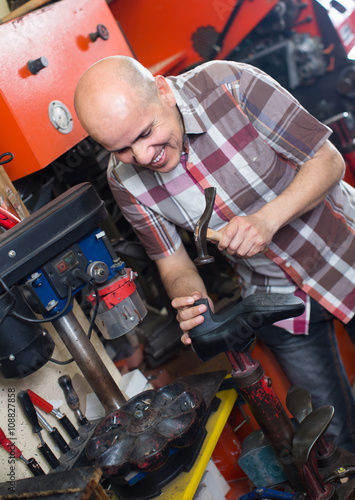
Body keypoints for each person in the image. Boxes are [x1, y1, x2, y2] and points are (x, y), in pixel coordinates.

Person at [74, 55, 355, 452]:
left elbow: (327, 160)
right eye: (121, 149)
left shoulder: (229, 85)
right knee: (332, 436)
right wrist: (191, 300)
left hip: (344, 254)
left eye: (146, 133)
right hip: (272, 294)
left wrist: (267, 220)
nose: (141, 156)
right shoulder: (123, 180)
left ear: (163, 90)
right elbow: (172, 260)